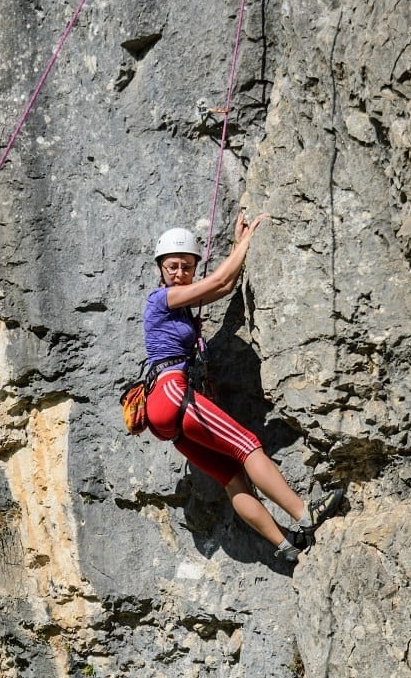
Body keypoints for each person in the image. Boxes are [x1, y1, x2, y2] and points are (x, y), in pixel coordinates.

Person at [143, 211, 343, 563]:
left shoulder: (181, 304)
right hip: (173, 393)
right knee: (248, 446)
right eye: (173, 266)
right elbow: (220, 282)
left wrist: (237, 246)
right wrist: (248, 241)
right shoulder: (161, 300)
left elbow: (222, 285)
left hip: (164, 413)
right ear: (160, 267)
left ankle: (285, 543)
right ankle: (304, 513)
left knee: (233, 477)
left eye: (187, 267)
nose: (180, 273)